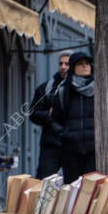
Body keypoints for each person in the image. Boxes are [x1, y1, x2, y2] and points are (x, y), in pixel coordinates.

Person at [51, 52, 96, 183]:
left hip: (93, 150)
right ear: (73, 68)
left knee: (91, 190)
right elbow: (53, 118)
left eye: (87, 63)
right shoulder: (64, 91)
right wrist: (63, 133)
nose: (85, 66)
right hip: (70, 150)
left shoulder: (99, 90)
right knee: (71, 190)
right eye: (80, 64)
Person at [29, 50, 72, 178]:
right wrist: (48, 114)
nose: (63, 67)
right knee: (44, 182)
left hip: (72, 145)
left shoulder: (80, 89)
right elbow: (32, 113)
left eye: (67, 64)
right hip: (51, 145)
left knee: (74, 184)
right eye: (61, 63)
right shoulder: (46, 88)